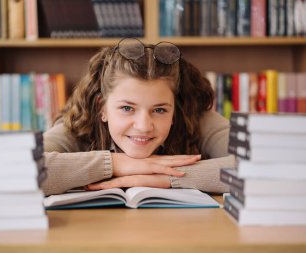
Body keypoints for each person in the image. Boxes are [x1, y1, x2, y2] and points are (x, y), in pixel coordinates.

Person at [42, 38, 235, 196]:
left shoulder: (195, 116)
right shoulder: (78, 125)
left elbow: (261, 166)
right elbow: (18, 169)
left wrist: (168, 178)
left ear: (175, 109)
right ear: (103, 108)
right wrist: (114, 163)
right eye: (127, 108)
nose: (143, 126)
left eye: (159, 110)